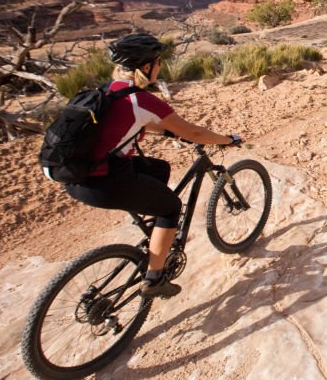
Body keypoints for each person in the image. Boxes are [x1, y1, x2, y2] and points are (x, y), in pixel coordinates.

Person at [64, 33, 241, 298]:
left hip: (77, 176)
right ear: (146, 67)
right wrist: (226, 140)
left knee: (159, 169)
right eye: (158, 62)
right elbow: (195, 134)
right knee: (171, 208)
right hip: (103, 182)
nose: (160, 66)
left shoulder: (106, 91)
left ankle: (155, 232)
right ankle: (155, 278)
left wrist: (169, 133)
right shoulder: (141, 100)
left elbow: (135, 123)